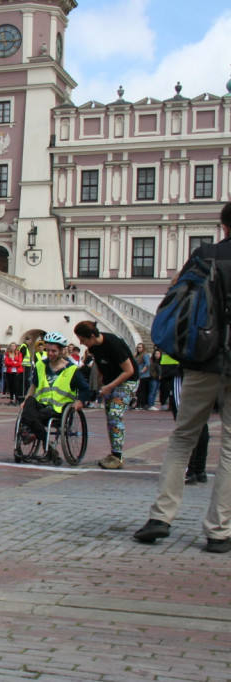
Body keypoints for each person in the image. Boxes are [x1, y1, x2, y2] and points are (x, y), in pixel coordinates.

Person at [134, 202, 231, 553]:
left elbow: (174, 294)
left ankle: (161, 517)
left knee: (182, 438)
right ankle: (218, 531)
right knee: (230, 451)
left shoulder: (205, 255)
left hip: (202, 359)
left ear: (224, 227)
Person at [73, 320, 137, 470]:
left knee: (115, 414)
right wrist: (103, 380)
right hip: (110, 381)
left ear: (92, 336)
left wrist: (110, 386)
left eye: (83, 340)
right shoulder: (94, 348)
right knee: (110, 417)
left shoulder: (114, 344)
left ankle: (118, 457)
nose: (82, 343)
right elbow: (101, 363)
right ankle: (114, 453)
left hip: (127, 381)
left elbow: (129, 371)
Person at [19, 331, 91, 458]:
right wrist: (26, 400)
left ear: (62, 351)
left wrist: (80, 401)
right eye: (48, 351)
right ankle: (42, 440)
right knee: (29, 403)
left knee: (34, 416)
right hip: (42, 404)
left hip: (59, 408)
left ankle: (34, 434)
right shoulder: (40, 365)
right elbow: (34, 385)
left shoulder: (72, 370)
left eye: (54, 351)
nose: (50, 354)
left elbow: (86, 389)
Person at [3, 342, 24, 406]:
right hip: (9, 371)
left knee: (16, 386)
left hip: (17, 372)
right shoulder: (7, 354)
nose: (12, 347)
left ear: (15, 347)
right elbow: (6, 363)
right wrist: (13, 363)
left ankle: (16, 399)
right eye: (11, 346)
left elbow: (19, 363)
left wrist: (12, 363)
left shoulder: (19, 354)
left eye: (13, 346)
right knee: (10, 386)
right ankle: (11, 399)